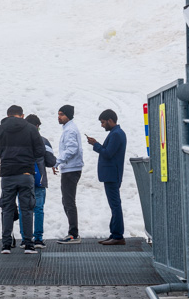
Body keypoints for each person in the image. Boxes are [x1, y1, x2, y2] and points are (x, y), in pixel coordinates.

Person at [0, 104, 46, 255]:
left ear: (8, 115)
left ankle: (6, 245)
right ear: (22, 115)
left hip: (8, 174)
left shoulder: (0, 129)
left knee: (7, 209)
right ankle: (29, 244)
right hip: (26, 174)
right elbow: (40, 150)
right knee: (27, 209)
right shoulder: (30, 129)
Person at [87, 109, 128, 245]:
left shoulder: (116, 134)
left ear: (110, 120)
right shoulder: (116, 133)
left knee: (115, 205)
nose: (102, 125)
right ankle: (114, 234)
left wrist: (95, 144)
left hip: (112, 175)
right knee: (114, 205)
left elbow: (108, 153)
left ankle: (117, 236)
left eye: (103, 122)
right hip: (112, 174)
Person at [24, 114, 58, 248]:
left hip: (24, 179)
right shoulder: (43, 141)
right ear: (37, 126)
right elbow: (51, 161)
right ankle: (38, 239)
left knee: (24, 209)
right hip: (39, 179)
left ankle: (25, 239)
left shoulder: (20, 140)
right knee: (38, 209)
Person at [55, 104, 84, 243]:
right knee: (66, 201)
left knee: (69, 201)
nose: (59, 117)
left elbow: (72, 149)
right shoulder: (68, 129)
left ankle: (73, 234)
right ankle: (73, 232)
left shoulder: (70, 130)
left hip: (71, 169)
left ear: (68, 115)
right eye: (58, 114)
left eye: (61, 114)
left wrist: (57, 161)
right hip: (69, 169)